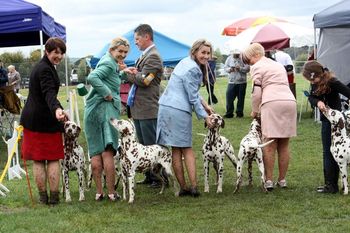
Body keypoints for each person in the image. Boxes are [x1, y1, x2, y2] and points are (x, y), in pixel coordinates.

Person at [156, 39, 215, 197]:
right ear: (195, 51)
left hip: (166, 107)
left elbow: (192, 90)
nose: (206, 56)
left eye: (208, 53)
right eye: (203, 52)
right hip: (178, 110)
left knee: (176, 148)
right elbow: (192, 97)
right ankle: (194, 187)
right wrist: (205, 116)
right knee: (187, 148)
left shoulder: (185, 62)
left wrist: (206, 105)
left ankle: (183, 188)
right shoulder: (193, 70)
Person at [20, 37, 69, 205]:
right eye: (56, 52)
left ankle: (44, 199)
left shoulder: (42, 66)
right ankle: (53, 199)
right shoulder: (46, 70)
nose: (59, 56)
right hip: (44, 120)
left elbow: (48, 95)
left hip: (33, 120)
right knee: (52, 158)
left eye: (62, 53)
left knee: (39, 159)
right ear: (47, 51)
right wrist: (57, 110)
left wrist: (59, 107)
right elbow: (49, 93)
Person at [241, 43, 297, 190]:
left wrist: (254, 111)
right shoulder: (278, 65)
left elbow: (256, 93)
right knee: (284, 144)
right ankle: (282, 180)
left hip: (272, 102)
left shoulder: (257, 67)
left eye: (249, 60)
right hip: (289, 101)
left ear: (255, 55)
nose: (249, 63)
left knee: (269, 143)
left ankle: (269, 180)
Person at [84, 37, 131, 201]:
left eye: (125, 52)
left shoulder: (109, 62)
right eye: (120, 51)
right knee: (107, 151)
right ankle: (111, 192)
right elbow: (93, 78)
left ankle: (99, 193)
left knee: (95, 151)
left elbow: (109, 77)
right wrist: (107, 93)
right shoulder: (109, 63)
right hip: (106, 108)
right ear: (112, 49)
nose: (123, 55)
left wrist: (124, 72)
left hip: (91, 110)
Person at [302, 60, 350, 193]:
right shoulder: (315, 83)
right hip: (325, 121)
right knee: (327, 151)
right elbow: (311, 97)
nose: (311, 83)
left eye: (311, 79)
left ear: (317, 75)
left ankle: (333, 185)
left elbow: (348, 92)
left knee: (333, 152)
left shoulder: (332, 82)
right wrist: (317, 102)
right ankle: (330, 184)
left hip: (337, 123)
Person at [126, 24, 164, 187]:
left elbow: (145, 81)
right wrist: (135, 73)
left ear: (146, 37)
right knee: (143, 145)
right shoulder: (145, 55)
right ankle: (150, 176)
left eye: (137, 39)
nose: (135, 42)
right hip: (140, 108)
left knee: (151, 145)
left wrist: (129, 74)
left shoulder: (153, 56)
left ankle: (159, 178)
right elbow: (141, 76)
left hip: (148, 108)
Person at [223, 49, 250, 118]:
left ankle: (239, 113)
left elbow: (247, 68)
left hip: (242, 82)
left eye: (237, 54)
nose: (236, 55)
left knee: (241, 99)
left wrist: (240, 68)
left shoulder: (244, 58)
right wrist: (230, 69)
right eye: (235, 54)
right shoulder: (229, 58)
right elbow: (225, 67)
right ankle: (229, 113)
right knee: (229, 97)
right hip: (231, 81)